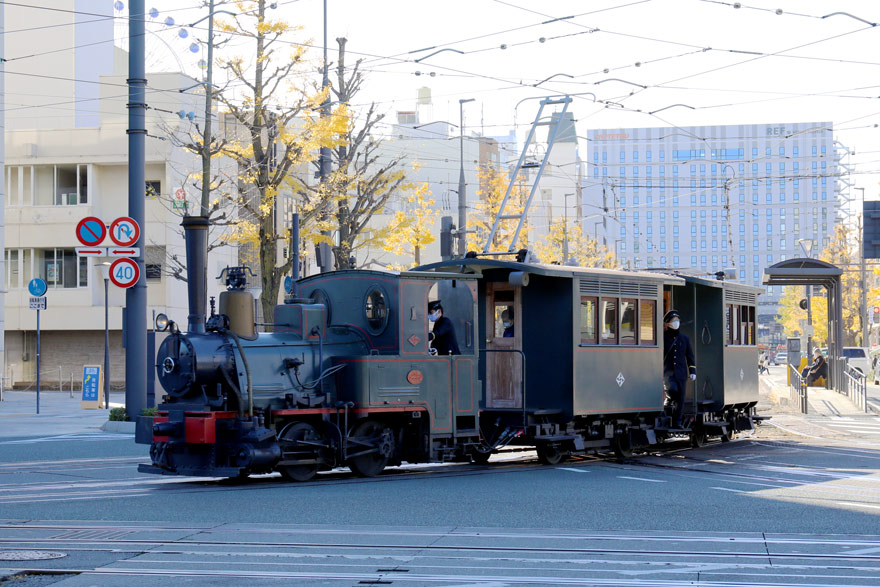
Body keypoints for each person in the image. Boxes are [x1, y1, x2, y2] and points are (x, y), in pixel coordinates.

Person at [663, 310, 696, 428]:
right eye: (673, 321)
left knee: (681, 399)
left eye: (677, 320)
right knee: (673, 390)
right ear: (667, 323)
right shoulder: (663, 338)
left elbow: (690, 356)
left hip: (681, 374)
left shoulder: (684, 339)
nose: (676, 323)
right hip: (668, 373)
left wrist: (692, 371)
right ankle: (668, 403)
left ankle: (677, 422)